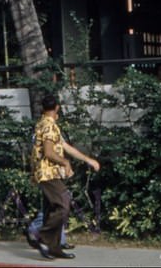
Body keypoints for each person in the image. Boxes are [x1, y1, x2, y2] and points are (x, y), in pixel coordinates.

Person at [29, 94, 100, 260]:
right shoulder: (48, 126)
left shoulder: (45, 124)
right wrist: (65, 163)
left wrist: (88, 160)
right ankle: (43, 237)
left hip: (46, 173)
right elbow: (48, 152)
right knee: (63, 204)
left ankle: (53, 248)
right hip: (49, 173)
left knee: (50, 210)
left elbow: (66, 147)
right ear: (57, 108)